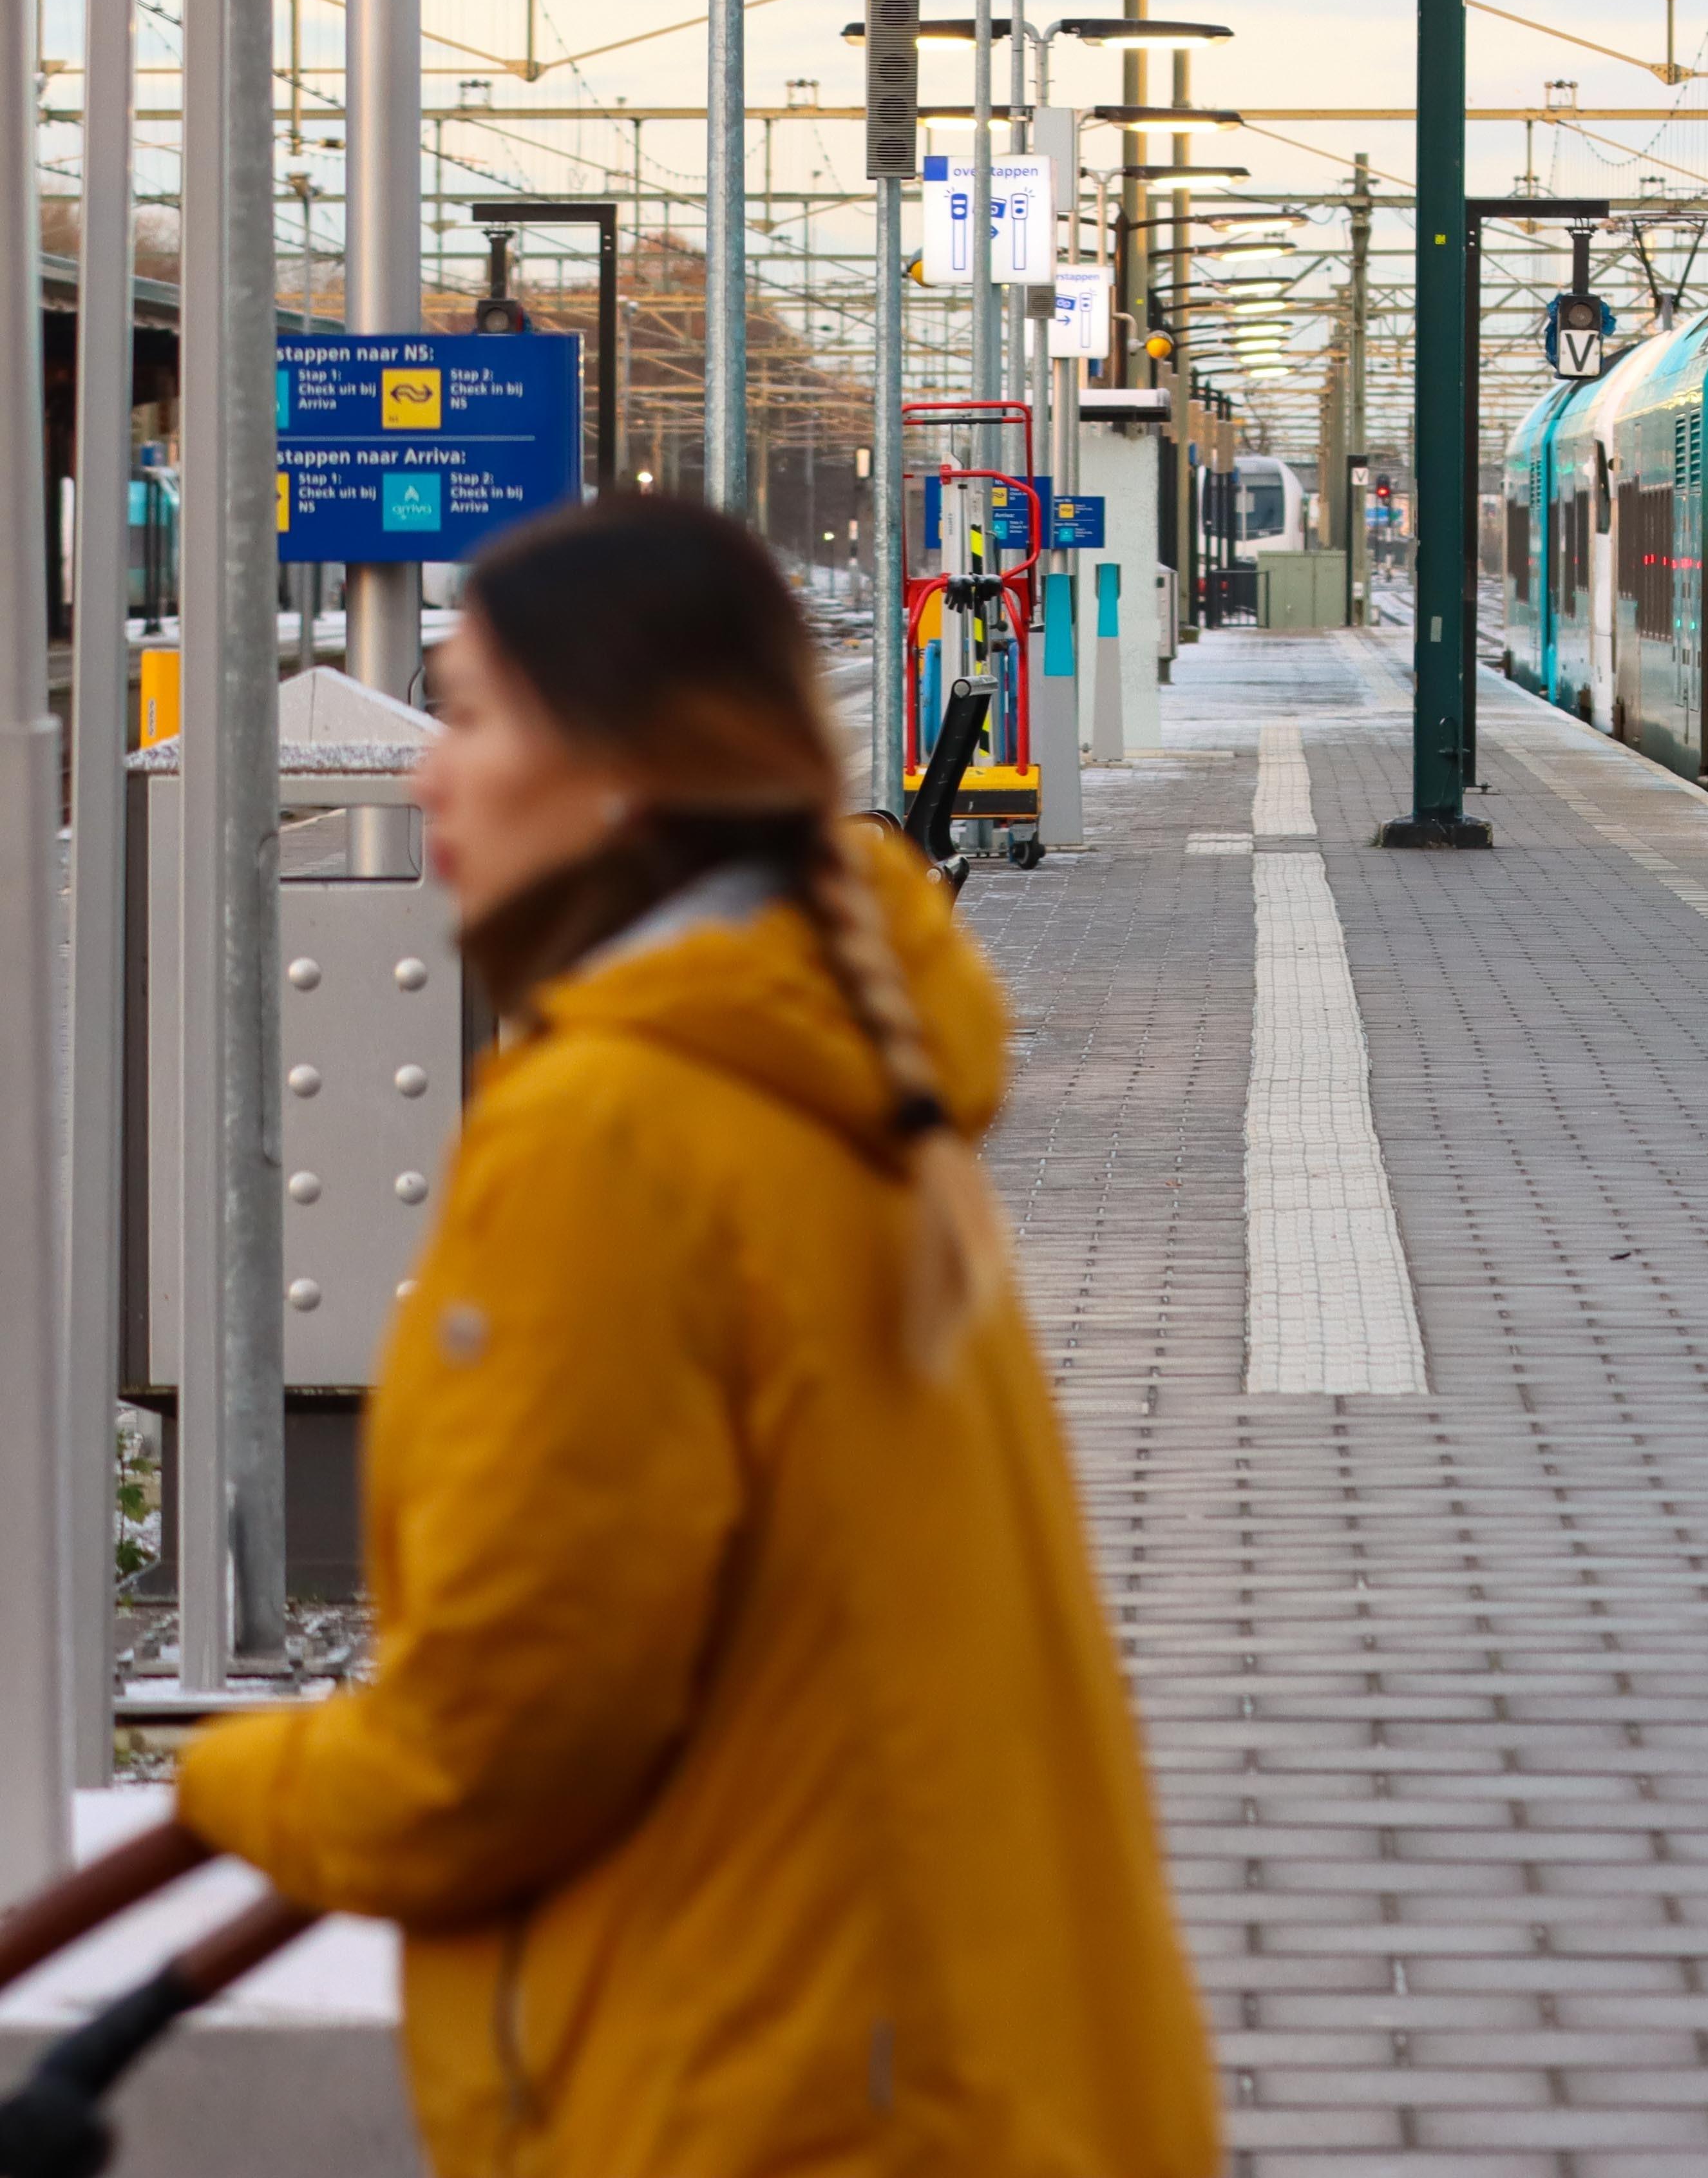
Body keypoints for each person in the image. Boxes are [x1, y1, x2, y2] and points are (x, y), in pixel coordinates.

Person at [174, 499, 1217, 2178]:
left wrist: (240, 1783)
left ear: (618, 772)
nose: (430, 770)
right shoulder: (850, 1065)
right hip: (967, 2054)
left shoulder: (620, 1127)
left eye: (474, 714)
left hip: (771, 2088)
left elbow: (506, 1744)